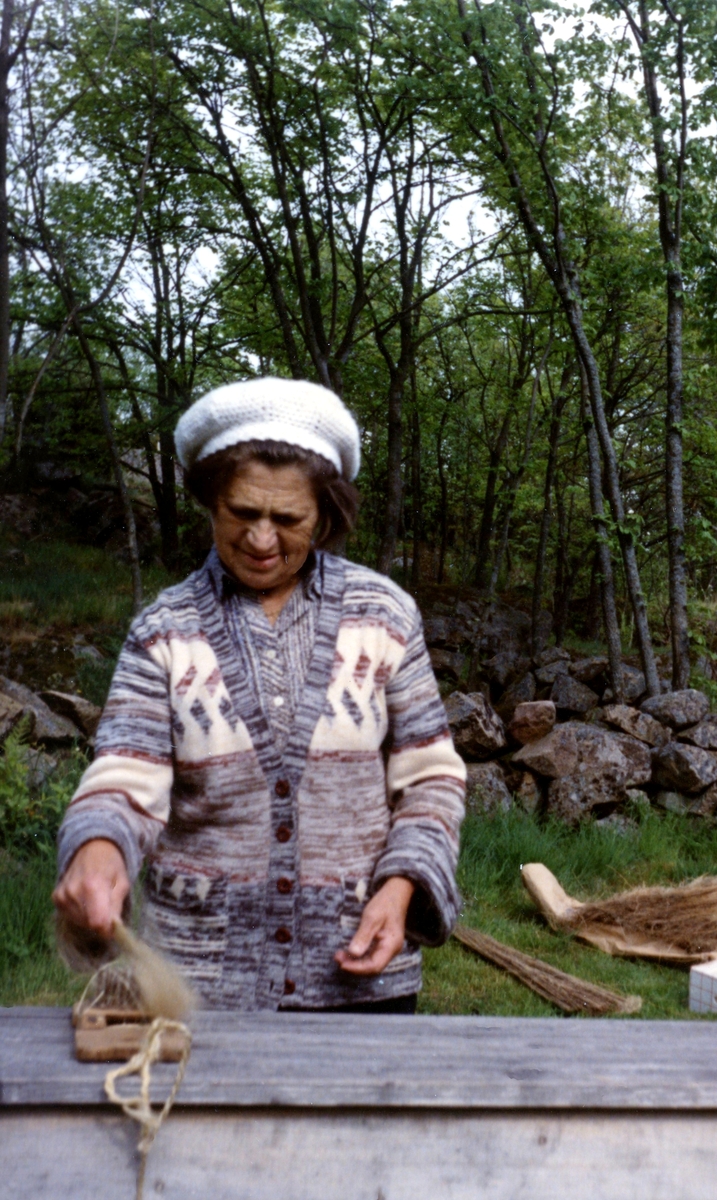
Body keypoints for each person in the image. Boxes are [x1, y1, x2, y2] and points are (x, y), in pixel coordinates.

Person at [53, 378, 466, 1012]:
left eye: (288, 519)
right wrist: (98, 848)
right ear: (209, 502)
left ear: (325, 516)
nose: (262, 539)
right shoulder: (163, 630)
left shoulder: (385, 615)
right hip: (194, 984)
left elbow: (431, 779)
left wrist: (402, 885)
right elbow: (123, 778)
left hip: (363, 974)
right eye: (242, 513)